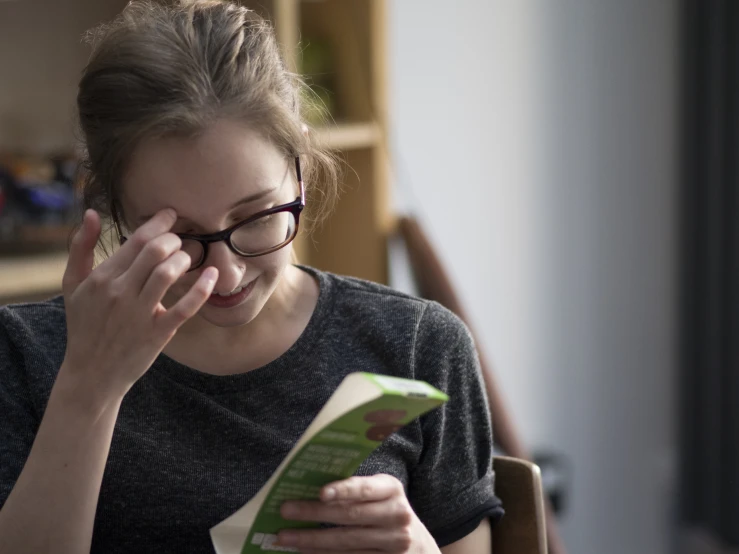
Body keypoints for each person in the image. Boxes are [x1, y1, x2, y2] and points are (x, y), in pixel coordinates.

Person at [0, 1, 503, 552]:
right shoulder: (26, 356)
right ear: (112, 210)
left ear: (300, 172)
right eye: (179, 234)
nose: (225, 272)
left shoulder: (418, 345)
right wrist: (89, 385)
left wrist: (417, 548)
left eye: (256, 218)